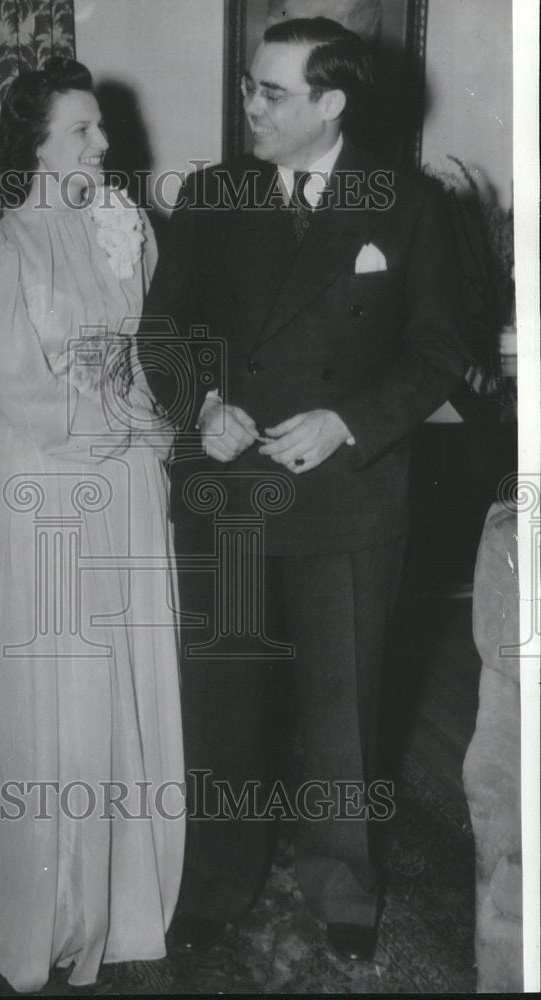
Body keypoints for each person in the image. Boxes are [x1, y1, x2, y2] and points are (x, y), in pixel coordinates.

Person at [139, 17, 468, 962]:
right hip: (228, 487)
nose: (250, 104)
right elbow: (163, 334)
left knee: (344, 714)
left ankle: (344, 886)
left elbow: (438, 348)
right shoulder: (211, 195)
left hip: (349, 493)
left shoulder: (409, 203)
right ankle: (213, 881)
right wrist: (202, 403)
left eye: (271, 93)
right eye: (248, 85)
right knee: (223, 706)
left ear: (331, 103)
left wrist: (348, 421)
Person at [0, 57, 184, 992]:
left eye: (100, 129)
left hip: (120, 478)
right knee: (55, 681)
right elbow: (21, 390)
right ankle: (41, 898)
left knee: (116, 680)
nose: (104, 146)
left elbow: (132, 355)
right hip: (45, 486)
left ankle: (109, 892)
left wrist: (151, 433)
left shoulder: (120, 228)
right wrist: (117, 433)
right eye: (81, 132)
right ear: (33, 145)